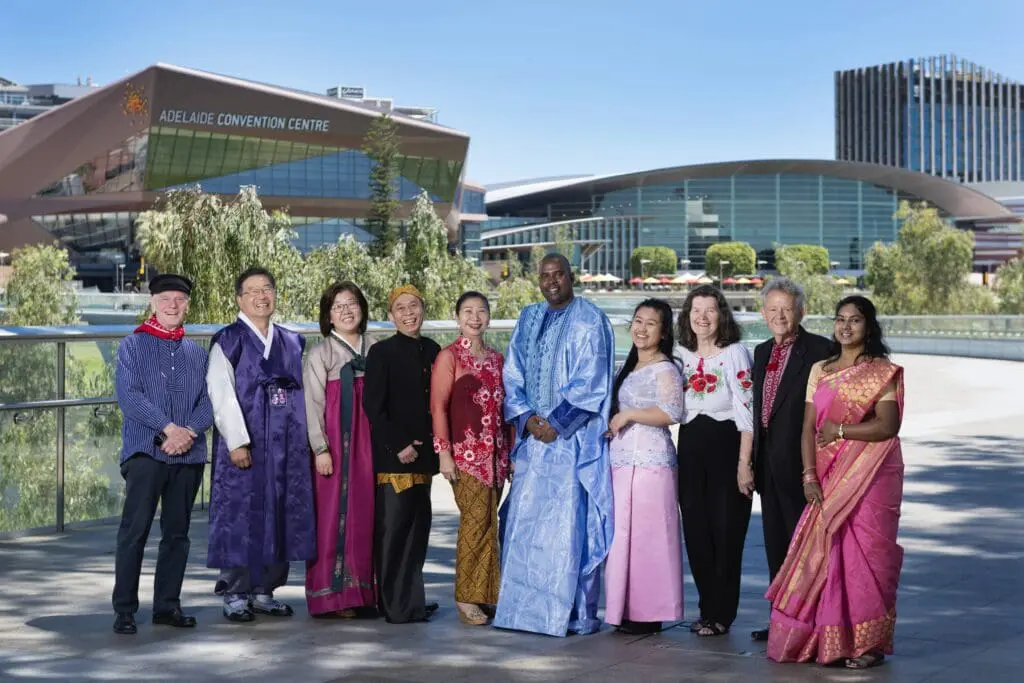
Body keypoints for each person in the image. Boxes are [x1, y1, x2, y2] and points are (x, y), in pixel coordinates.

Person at [766, 295, 904, 670]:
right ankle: (823, 639)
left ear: (869, 327)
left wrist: (841, 430)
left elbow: (888, 426)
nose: (845, 327)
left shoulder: (881, 370)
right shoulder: (821, 370)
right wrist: (808, 474)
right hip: (827, 475)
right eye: (840, 319)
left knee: (866, 557)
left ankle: (867, 644)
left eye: (855, 320)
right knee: (828, 556)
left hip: (870, 477)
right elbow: (808, 429)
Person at [494, 253, 615, 637]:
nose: (551, 281)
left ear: (570, 276)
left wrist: (558, 424)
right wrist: (528, 418)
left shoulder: (590, 318)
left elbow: (592, 378)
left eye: (558, 274)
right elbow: (512, 372)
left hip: (570, 444)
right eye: (545, 276)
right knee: (525, 525)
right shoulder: (528, 318)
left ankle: (569, 614)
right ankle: (520, 612)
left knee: (567, 527)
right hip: (532, 441)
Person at [206, 266, 316, 623]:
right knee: (240, 515)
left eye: (266, 289)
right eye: (252, 291)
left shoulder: (292, 341)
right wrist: (237, 441)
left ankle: (265, 589)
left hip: (286, 446)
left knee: (280, 512)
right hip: (246, 445)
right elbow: (220, 393)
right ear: (240, 299)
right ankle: (236, 592)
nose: (261, 296)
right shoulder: (229, 340)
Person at [111, 273, 213, 635]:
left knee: (178, 533)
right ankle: (124, 609)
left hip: (189, 455)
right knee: (134, 531)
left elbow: (209, 400)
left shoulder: (197, 354)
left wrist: (190, 433)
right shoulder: (132, 346)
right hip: (146, 452)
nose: (173, 305)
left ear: (187, 305)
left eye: (179, 300)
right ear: (153, 302)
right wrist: (168, 429)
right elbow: (129, 396)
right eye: (165, 298)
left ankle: (167, 606)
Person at [747, 278, 831, 642]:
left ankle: (811, 625)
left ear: (802, 311)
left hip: (802, 468)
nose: (780, 316)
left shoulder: (820, 351)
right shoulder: (761, 351)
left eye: (787, 309)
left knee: (808, 550)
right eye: (773, 309)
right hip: (767, 467)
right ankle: (781, 620)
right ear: (763, 313)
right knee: (777, 549)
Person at [674, 284, 754, 637]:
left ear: (721, 315)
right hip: (690, 446)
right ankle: (706, 609)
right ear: (687, 316)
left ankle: (722, 613)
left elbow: (746, 410)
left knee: (727, 531)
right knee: (696, 531)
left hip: (727, 445)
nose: (702, 317)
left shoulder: (735, 352)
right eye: (696, 310)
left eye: (710, 310)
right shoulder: (678, 354)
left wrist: (744, 463)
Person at [603, 299, 685, 635]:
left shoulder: (665, 368)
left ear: (664, 332)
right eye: (638, 321)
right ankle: (625, 607)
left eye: (651, 323)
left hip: (651, 464)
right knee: (623, 537)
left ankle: (649, 612)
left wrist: (629, 415)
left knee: (649, 538)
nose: (642, 328)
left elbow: (672, 412)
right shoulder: (631, 365)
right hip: (623, 462)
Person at [431, 291, 513, 626]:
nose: (475, 318)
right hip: (464, 458)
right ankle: (467, 598)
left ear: (489, 317)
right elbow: (438, 407)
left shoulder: (496, 359)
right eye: (467, 311)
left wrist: (507, 456)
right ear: (457, 317)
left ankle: (487, 593)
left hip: (493, 458)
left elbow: (504, 412)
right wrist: (444, 454)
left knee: (488, 527)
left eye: (481, 311)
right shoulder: (449, 357)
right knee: (474, 525)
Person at [363, 284, 441, 624]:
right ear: (391, 315)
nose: (408, 313)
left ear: (423, 309)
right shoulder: (382, 353)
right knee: (394, 532)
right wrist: (399, 446)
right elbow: (373, 408)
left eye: (414, 306)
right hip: (395, 457)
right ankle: (395, 605)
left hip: (424, 458)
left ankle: (412, 600)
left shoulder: (433, 349)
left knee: (418, 530)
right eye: (401, 308)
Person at [303, 282, 377, 618]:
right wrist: (320, 448)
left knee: (366, 516)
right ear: (328, 316)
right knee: (333, 516)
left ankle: (363, 592)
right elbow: (313, 404)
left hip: (370, 444)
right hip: (335, 443)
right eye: (337, 306)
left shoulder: (377, 349)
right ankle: (333, 594)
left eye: (352, 304)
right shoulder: (321, 354)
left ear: (362, 309)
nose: (346, 311)